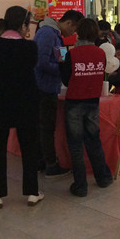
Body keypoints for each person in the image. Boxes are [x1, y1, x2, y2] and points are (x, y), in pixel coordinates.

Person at [0, 6, 43, 209]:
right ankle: (32, 192)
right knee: (29, 148)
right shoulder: (30, 47)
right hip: (26, 103)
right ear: (23, 25)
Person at [61, 18, 113, 197]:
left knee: (76, 145)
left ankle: (81, 185)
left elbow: (65, 80)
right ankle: (103, 178)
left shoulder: (72, 54)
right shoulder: (101, 53)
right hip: (92, 102)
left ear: (79, 33)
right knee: (93, 140)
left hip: (74, 102)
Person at [34, 10, 83, 178]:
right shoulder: (48, 33)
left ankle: (42, 161)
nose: (73, 34)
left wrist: (64, 67)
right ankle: (50, 164)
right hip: (44, 87)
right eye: (74, 29)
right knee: (46, 127)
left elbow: (60, 59)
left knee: (46, 126)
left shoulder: (56, 35)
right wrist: (61, 70)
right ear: (68, 23)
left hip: (49, 86)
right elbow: (41, 62)